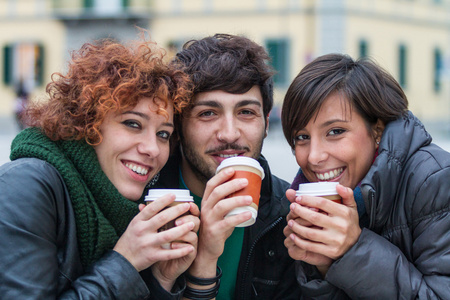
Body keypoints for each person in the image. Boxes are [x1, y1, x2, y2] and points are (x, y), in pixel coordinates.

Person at [0, 37, 201, 299]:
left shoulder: (124, 204)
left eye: (164, 134)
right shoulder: (27, 185)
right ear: (87, 123)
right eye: (132, 124)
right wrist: (126, 262)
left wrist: (161, 279)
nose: (152, 148)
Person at [281, 53, 450, 299]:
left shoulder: (434, 179)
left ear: (377, 129)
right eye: (302, 137)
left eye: (335, 131)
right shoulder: (302, 200)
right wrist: (325, 264)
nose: (314, 157)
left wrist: (353, 249)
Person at [149, 33, 301, 299]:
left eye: (246, 112)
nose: (229, 134)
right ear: (179, 125)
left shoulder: (288, 215)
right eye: (208, 113)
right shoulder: (143, 205)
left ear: (266, 123)